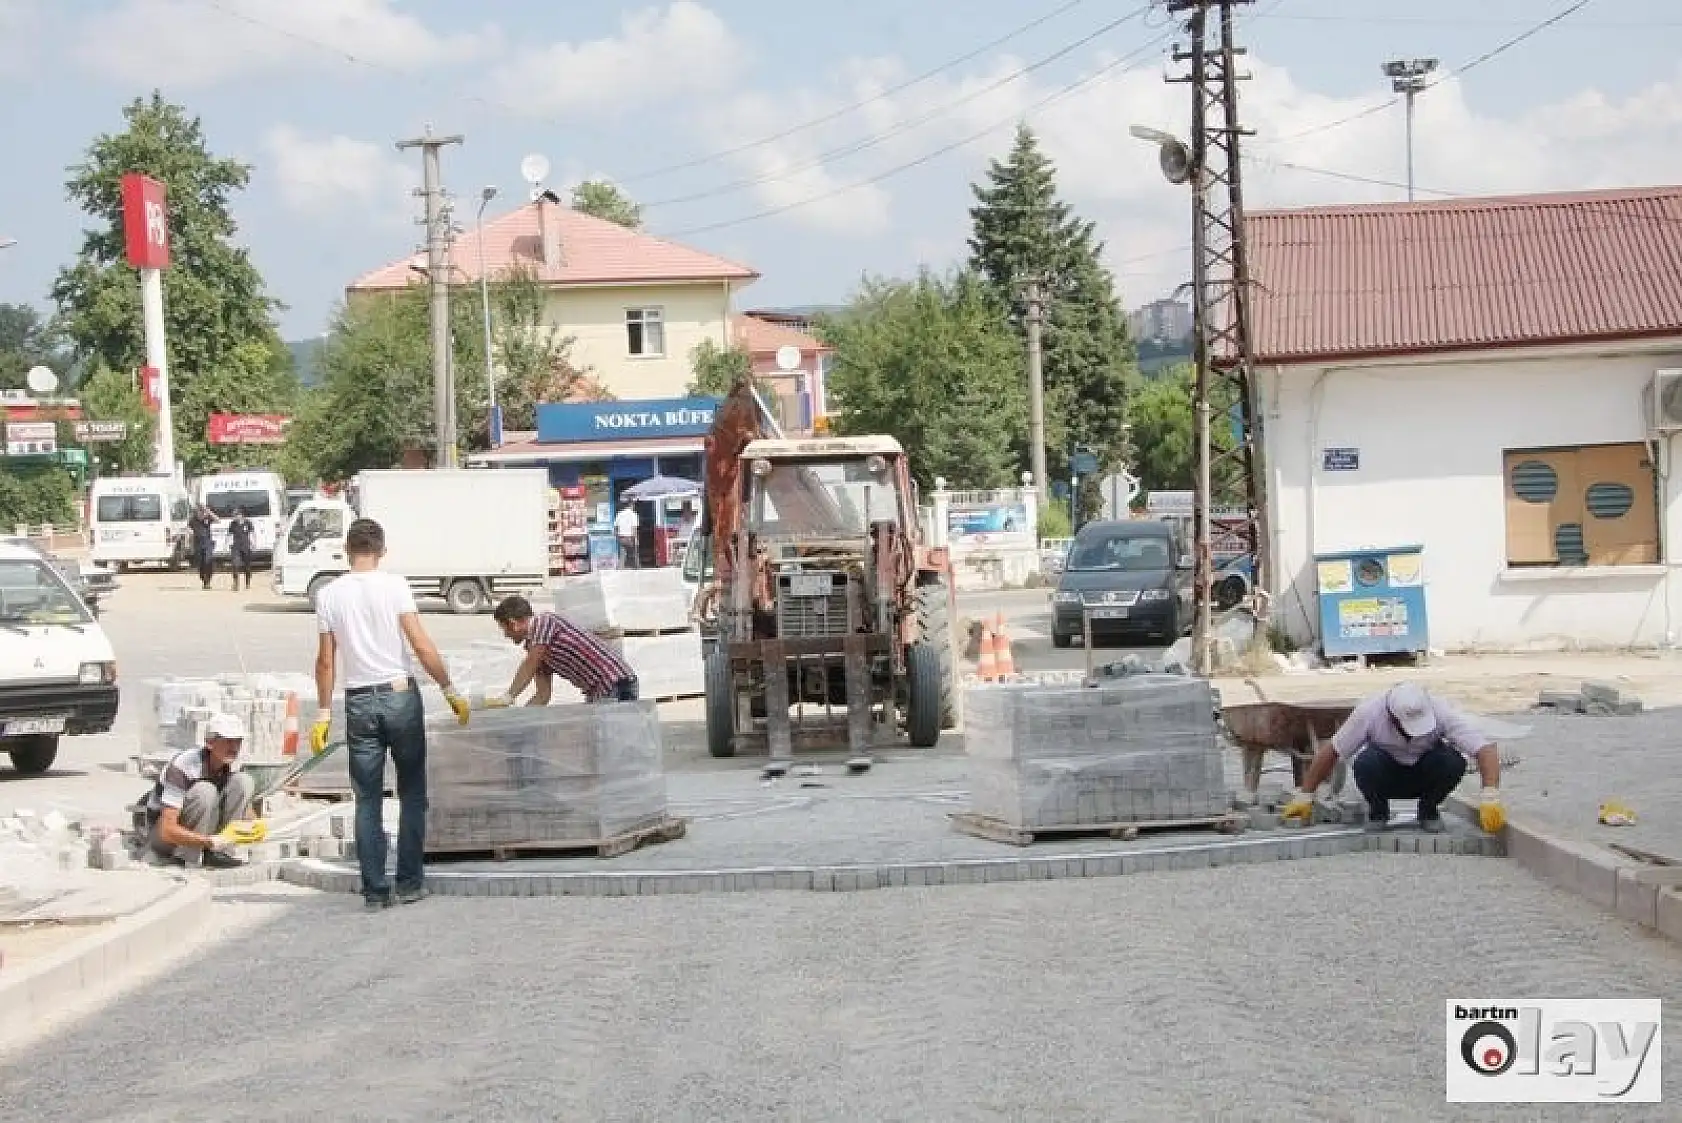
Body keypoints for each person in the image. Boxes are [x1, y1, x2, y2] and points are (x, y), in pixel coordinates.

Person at [311, 517, 469, 910]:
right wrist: (448, 688)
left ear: (346, 550)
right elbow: (420, 644)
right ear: (382, 551)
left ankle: (375, 891)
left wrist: (323, 712)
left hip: (358, 701)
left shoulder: (329, 595)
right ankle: (410, 883)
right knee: (411, 792)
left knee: (367, 799)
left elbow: (326, 661)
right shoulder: (395, 586)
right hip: (399, 697)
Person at [1282, 682, 1506, 835]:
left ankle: (1428, 811)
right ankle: (1378, 812)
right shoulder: (1370, 712)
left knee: (1453, 762)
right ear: (1392, 717)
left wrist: (1490, 796)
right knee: (1365, 763)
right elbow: (1333, 751)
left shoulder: (1440, 710)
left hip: (1425, 773)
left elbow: (1484, 749)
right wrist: (1305, 795)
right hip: (1386, 774)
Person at [145, 713, 258, 868]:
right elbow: (166, 829)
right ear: (210, 743)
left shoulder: (231, 762)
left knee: (244, 781)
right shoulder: (184, 766)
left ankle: (221, 852)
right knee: (205, 791)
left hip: (203, 830)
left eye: (238, 741)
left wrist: (254, 825)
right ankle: (187, 857)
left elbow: (245, 807)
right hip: (165, 836)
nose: (234, 747)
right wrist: (210, 841)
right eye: (228, 741)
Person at [489, 595, 639, 705]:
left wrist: (508, 697)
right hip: (598, 691)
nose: (506, 635)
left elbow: (530, 663)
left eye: (504, 629)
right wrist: (520, 720)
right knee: (600, 736)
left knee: (614, 736)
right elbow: (543, 695)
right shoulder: (535, 648)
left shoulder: (544, 622)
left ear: (513, 624)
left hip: (615, 683)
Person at [188, 505, 217, 590]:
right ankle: (204, 579)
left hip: (208, 544)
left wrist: (209, 512)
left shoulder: (207, 518)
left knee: (208, 561)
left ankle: (207, 581)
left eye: (202, 511)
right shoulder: (193, 520)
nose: (200, 513)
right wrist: (190, 543)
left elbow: (217, 520)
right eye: (199, 511)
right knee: (201, 564)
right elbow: (189, 530)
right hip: (198, 544)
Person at [227, 505, 255, 591]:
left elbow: (252, 533)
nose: (235, 517)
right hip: (236, 547)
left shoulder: (248, 523)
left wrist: (253, 543)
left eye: (236, 515)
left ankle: (247, 582)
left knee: (247, 566)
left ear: (241, 515)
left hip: (246, 546)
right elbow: (229, 535)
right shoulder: (233, 524)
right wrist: (227, 544)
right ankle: (236, 583)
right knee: (235, 565)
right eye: (234, 515)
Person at [614, 498, 640, 569]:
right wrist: (636, 539)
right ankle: (636, 567)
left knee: (623, 553)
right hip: (630, 537)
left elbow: (616, 527)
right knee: (634, 553)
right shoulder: (633, 514)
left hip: (621, 537)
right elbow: (634, 528)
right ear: (631, 505)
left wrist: (617, 537)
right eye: (633, 505)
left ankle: (620, 568)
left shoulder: (619, 514)